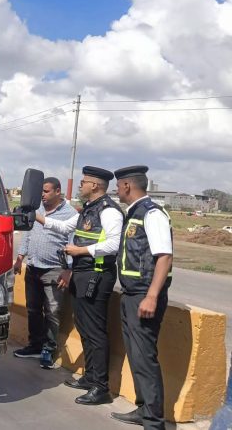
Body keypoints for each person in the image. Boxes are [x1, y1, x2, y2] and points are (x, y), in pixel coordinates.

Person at [36, 166, 123, 405]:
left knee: (95, 332)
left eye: (83, 182)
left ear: (94, 185)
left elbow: (114, 244)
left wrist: (80, 250)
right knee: (85, 328)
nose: (80, 185)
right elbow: (65, 227)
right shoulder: (88, 209)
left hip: (97, 275)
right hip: (82, 274)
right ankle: (90, 377)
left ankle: (100, 387)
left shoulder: (109, 211)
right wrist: (36, 217)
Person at [110, 166, 173, 429]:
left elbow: (164, 257)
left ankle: (154, 421)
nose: (116, 190)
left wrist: (152, 296)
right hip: (131, 294)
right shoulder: (134, 213)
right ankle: (143, 408)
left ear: (127, 185)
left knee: (145, 358)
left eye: (118, 185)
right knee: (136, 356)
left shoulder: (152, 214)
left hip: (143, 296)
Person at [13, 177, 77, 369]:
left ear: (58, 191)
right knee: (33, 309)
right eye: (41, 191)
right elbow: (28, 234)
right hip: (33, 267)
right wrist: (20, 257)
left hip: (54, 270)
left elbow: (73, 243)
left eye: (46, 191)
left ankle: (48, 349)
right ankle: (35, 345)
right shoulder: (37, 210)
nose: (42, 195)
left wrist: (68, 270)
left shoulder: (70, 214)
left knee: (52, 312)